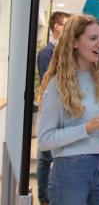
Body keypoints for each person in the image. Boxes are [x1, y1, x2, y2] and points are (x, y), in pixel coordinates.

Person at [38, 14, 99, 205]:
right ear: (75, 42)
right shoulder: (57, 84)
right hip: (69, 170)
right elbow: (44, 140)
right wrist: (87, 127)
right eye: (93, 38)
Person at [36, 11, 70, 205]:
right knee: (45, 157)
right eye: (66, 24)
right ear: (57, 27)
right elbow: (46, 83)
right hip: (50, 110)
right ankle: (43, 197)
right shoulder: (46, 53)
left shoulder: (66, 52)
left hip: (63, 112)